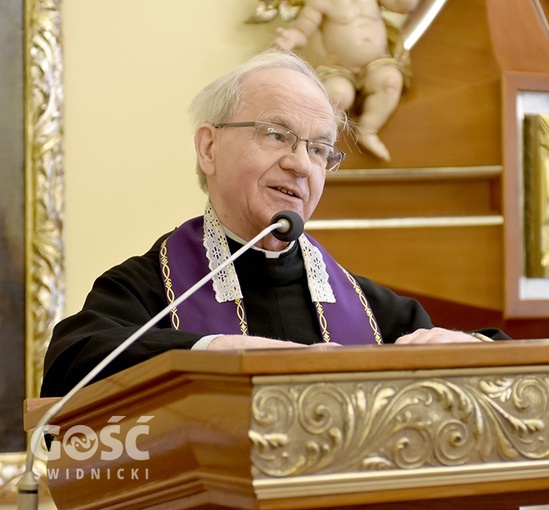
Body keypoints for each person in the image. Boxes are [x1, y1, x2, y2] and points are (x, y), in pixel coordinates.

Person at [40, 49, 507, 398]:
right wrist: (224, 354)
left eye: (320, 149)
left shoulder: (369, 308)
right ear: (208, 149)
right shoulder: (149, 290)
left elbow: (502, 358)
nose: (302, 165)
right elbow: (72, 361)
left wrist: (465, 347)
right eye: (278, 135)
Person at [268, 0, 418, 162]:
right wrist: (289, 39)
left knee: (390, 81)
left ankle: (368, 129)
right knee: (337, 94)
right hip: (340, 69)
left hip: (377, 64)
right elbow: (302, 32)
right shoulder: (320, 3)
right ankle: (324, 143)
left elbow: (404, 6)